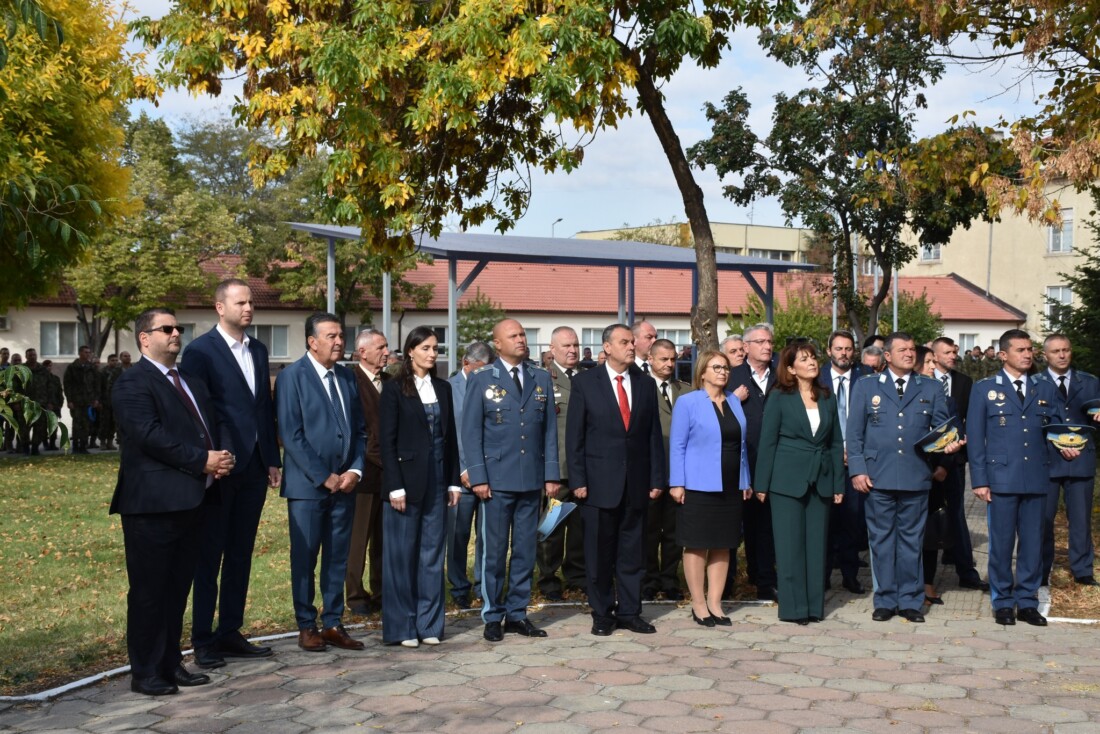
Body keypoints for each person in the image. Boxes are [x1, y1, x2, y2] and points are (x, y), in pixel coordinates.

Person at [110, 308, 235, 695]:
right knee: (150, 591)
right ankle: (145, 671)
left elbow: (206, 428)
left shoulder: (191, 381)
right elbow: (148, 435)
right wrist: (203, 461)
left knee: (178, 587)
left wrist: (221, 455)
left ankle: (169, 661)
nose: (176, 333)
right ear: (145, 338)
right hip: (153, 505)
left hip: (193, 501)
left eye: (178, 328)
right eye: (167, 329)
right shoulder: (132, 383)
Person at [180, 278, 282, 669]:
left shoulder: (257, 349)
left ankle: (230, 631)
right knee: (210, 555)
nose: (248, 308)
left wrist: (271, 458)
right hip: (220, 466)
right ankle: (203, 639)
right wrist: (210, 456)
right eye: (240, 302)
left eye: (251, 302)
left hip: (254, 466)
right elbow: (196, 410)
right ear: (219, 307)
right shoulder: (200, 352)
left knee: (241, 554)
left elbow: (261, 408)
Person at [969, 329, 1081, 626]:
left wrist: (1067, 447)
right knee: (1002, 544)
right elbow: (976, 438)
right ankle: (1003, 601)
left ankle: (1027, 601)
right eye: (1021, 350)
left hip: (1036, 477)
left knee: (1033, 543)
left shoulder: (1043, 389)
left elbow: (1055, 429)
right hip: (1001, 478)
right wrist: (979, 480)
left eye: (1030, 349)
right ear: (1004, 355)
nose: (1028, 354)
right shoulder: (984, 390)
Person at [847, 332, 955, 623]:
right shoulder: (866, 386)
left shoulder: (931, 388)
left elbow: (942, 430)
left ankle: (910, 600)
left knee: (911, 541)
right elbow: (854, 433)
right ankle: (884, 600)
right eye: (902, 349)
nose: (909, 353)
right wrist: (857, 469)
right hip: (877, 477)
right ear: (887, 355)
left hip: (915, 475)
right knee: (881, 541)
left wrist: (948, 447)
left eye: (911, 349)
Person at [462, 318, 560, 642]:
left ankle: (517, 614)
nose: (520, 339)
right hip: (496, 480)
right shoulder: (481, 380)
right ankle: (492, 615)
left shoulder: (541, 378)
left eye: (522, 334)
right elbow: (471, 432)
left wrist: (551, 475)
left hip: (531, 479)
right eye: (513, 335)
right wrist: (478, 476)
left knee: (525, 551)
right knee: (494, 551)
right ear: (498, 344)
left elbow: (548, 433)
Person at [276, 312, 368, 652]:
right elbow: (291, 433)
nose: (339, 341)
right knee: (306, 557)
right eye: (331, 336)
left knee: (337, 557)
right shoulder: (292, 377)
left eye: (341, 335)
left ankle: (333, 622)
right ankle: (306, 625)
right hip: (308, 489)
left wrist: (354, 471)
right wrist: (323, 476)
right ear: (312, 342)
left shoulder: (346, 377)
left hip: (344, 486)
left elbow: (360, 430)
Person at [566, 323, 664, 636]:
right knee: (598, 553)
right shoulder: (585, 383)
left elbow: (651, 437)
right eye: (624, 342)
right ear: (607, 347)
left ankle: (630, 612)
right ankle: (602, 613)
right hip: (596, 484)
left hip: (635, 483)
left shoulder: (645, 384)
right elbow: (575, 436)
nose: (632, 346)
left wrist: (656, 478)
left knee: (633, 552)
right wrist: (577, 478)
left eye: (633, 341)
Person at [378, 327, 461, 647]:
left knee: (430, 556)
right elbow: (386, 441)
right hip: (406, 484)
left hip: (439, 481)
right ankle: (402, 627)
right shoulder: (394, 389)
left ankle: (429, 625)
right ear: (410, 351)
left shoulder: (444, 388)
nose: (432, 353)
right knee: (401, 557)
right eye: (425, 348)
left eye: (435, 348)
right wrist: (394, 486)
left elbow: (450, 438)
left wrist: (454, 481)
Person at [755, 340, 844, 624]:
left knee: (816, 546)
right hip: (786, 481)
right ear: (791, 368)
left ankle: (814, 608)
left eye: (813, 357)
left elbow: (834, 442)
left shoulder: (827, 396)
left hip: (821, 479)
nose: (812, 362)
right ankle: (793, 609)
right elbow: (767, 442)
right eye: (804, 359)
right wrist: (761, 484)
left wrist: (838, 485)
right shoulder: (779, 396)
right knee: (790, 546)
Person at [668, 350, 751, 627]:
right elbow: (678, 445)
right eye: (716, 367)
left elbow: (741, 446)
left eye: (726, 368)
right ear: (702, 372)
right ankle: (698, 603)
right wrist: (677, 482)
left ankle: (715, 602)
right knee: (697, 544)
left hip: (730, 485)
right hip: (698, 485)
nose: (723, 372)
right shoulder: (688, 402)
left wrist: (745, 480)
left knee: (723, 543)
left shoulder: (733, 401)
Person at [1038, 334, 1099, 587]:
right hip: (1046, 459)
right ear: (1045, 356)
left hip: (1081, 458)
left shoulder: (1091, 382)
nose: (1062, 355)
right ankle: (1040, 569)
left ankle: (1082, 569)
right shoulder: (1034, 383)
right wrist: (1057, 443)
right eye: (1055, 351)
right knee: (1042, 518)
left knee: (1081, 517)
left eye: (1065, 350)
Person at [930, 336, 987, 591]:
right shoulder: (922, 379)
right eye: (948, 352)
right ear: (934, 355)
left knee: (956, 512)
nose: (953, 356)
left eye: (955, 352)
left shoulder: (964, 382)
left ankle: (966, 571)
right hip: (925, 460)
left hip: (954, 459)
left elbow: (965, 420)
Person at [727, 323, 778, 601]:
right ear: (746, 347)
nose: (767, 346)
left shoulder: (782, 376)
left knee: (765, 527)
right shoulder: (731, 376)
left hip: (773, 463)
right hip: (738, 464)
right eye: (760, 341)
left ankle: (764, 580)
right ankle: (728, 583)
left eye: (770, 341)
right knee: (734, 527)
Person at [536, 326, 587, 603]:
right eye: (566, 346)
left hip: (581, 471)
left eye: (576, 345)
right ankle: (548, 579)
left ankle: (577, 576)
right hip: (557, 472)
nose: (572, 350)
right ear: (551, 350)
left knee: (580, 530)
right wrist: (549, 472)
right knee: (551, 530)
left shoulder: (585, 378)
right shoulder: (543, 379)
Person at [818, 330, 867, 594]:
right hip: (825, 461)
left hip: (855, 462)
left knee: (852, 521)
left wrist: (855, 451)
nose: (844, 354)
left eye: (848, 349)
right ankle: (823, 576)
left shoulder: (866, 379)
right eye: (838, 349)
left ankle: (850, 575)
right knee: (826, 522)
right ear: (829, 351)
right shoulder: (817, 379)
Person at [345, 328, 390, 616]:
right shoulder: (352, 382)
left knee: (383, 540)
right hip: (364, 474)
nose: (387, 352)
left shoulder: (390, 382)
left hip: (389, 478)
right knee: (358, 540)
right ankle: (355, 595)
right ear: (363, 352)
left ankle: (382, 592)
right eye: (381, 347)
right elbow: (359, 431)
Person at [446, 340, 493, 609]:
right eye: (480, 368)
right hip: (460, 477)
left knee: (488, 535)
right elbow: (453, 433)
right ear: (466, 363)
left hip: (489, 475)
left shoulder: (492, 386)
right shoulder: (450, 389)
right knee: (458, 535)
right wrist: (464, 468)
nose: (484, 373)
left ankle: (483, 585)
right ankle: (458, 586)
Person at [644, 338, 688, 601]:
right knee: (649, 531)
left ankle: (669, 578)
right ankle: (648, 579)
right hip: (650, 472)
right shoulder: (640, 387)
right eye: (663, 359)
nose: (670, 364)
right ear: (650, 358)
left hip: (678, 474)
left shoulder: (686, 390)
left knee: (673, 532)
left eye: (673, 359)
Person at [916, 345, 951, 607]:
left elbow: (949, 429)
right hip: (911, 471)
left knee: (930, 534)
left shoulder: (938, 392)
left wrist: (944, 464)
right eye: (927, 362)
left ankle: (928, 582)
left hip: (934, 473)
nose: (932, 366)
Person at [64, 345, 100, 453]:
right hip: (76, 400)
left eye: (89, 352)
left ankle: (83, 446)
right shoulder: (72, 367)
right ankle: (75, 446)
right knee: (76, 424)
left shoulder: (92, 368)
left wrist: (96, 399)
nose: (87, 354)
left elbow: (96, 384)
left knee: (86, 425)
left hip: (88, 400)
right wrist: (69, 400)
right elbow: (67, 385)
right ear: (80, 353)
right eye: (85, 352)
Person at [97, 354, 122, 450]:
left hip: (115, 401)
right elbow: (99, 387)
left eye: (116, 360)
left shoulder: (119, 372)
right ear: (108, 361)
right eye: (112, 360)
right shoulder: (103, 372)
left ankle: (110, 442)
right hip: (105, 401)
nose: (114, 362)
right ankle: (102, 442)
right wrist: (98, 401)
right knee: (104, 422)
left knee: (113, 423)